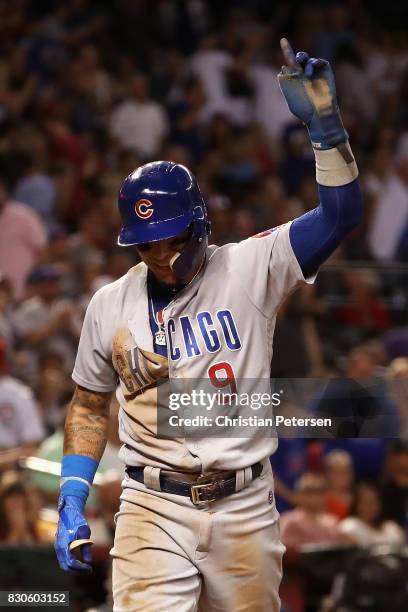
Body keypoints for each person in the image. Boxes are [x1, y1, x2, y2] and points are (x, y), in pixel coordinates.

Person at [55, 39, 363, 611]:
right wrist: (72, 492)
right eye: (148, 244)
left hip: (243, 504)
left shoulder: (250, 266)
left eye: (174, 238)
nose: (163, 254)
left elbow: (341, 215)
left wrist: (326, 129)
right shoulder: (110, 304)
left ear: (201, 221)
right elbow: (89, 403)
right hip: (152, 504)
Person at [338, 482, 405, 548]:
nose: (371, 507)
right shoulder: (349, 527)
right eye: (366, 502)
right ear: (356, 504)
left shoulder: (391, 527)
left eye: (374, 502)